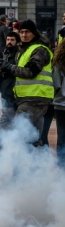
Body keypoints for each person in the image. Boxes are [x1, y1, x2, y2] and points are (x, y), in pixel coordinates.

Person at [0, 20, 54, 147]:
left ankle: (21, 165)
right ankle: (37, 163)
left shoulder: (39, 49)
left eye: (27, 32)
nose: (24, 35)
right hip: (30, 96)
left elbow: (30, 72)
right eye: (22, 32)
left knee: (20, 134)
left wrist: (7, 66)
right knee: (32, 137)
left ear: (34, 33)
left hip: (35, 96)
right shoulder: (26, 49)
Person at [0, 32, 20, 130]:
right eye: (8, 39)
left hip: (12, 91)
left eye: (12, 40)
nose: (9, 42)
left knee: (6, 120)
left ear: (17, 42)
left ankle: (2, 141)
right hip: (5, 91)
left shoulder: (17, 54)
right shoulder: (6, 53)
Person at [51, 38, 65, 167]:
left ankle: (61, 165)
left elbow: (56, 85)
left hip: (61, 104)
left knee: (62, 135)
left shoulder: (59, 64)